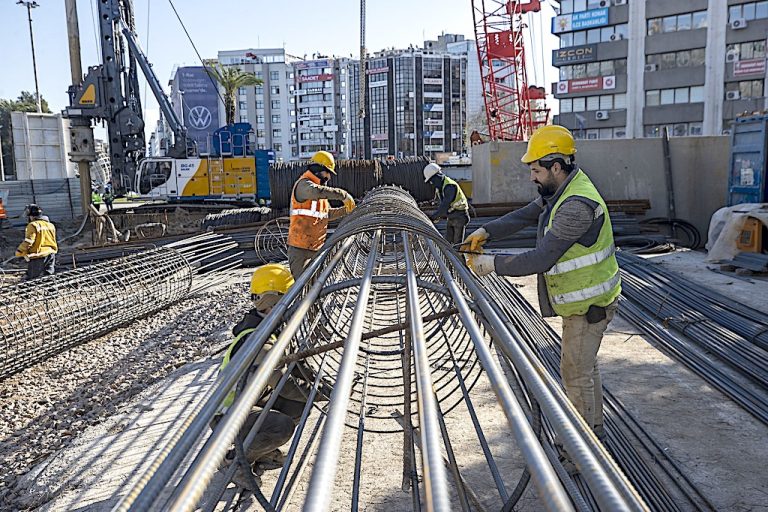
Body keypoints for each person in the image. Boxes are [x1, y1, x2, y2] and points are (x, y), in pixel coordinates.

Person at [462, 125, 621, 463]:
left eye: (536, 169)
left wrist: (490, 264)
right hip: (583, 300)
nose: (532, 176)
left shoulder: (576, 205)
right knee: (584, 368)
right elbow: (525, 215)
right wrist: (485, 231)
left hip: (589, 304)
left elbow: (541, 258)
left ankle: (578, 454)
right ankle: (594, 433)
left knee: (575, 374)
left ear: (556, 166)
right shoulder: (560, 192)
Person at [215, 263, 315, 490]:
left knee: (299, 405)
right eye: (288, 299)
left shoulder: (272, 327)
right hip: (228, 414)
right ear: (272, 302)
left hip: (250, 401)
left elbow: (292, 365)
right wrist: (321, 393)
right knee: (281, 425)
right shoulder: (258, 338)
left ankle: (260, 451)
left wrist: (320, 382)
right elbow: (284, 382)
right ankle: (236, 461)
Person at [287, 151, 355, 278]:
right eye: (327, 172)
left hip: (316, 247)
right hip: (300, 249)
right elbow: (315, 192)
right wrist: (343, 195)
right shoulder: (304, 185)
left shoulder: (320, 192)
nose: (328, 176)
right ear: (319, 169)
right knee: (303, 288)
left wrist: (347, 210)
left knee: (316, 288)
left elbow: (326, 214)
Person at [423, 162, 470, 244]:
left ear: (437, 177)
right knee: (448, 243)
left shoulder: (449, 186)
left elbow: (445, 206)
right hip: (452, 216)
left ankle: (458, 256)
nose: (431, 184)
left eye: (432, 181)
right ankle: (452, 256)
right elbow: (440, 204)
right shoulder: (441, 187)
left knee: (457, 245)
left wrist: (433, 217)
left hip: (460, 216)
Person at [15, 204, 58, 280]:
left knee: (32, 279)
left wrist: (20, 250)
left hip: (38, 255)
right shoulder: (50, 225)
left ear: (31, 215)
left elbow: (29, 241)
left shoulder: (32, 225)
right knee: (49, 277)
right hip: (51, 253)